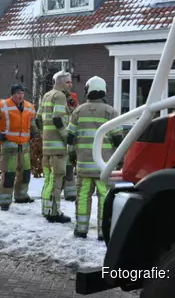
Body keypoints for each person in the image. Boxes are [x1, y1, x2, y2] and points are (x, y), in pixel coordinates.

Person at [67, 76, 123, 240]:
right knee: (104, 198)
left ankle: (81, 229)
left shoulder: (78, 111)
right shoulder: (111, 112)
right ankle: (102, 232)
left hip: (84, 166)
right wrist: (119, 160)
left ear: (88, 90)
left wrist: (73, 156)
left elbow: (70, 138)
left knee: (83, 197)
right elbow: (118, 140)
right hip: (104, 167)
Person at [0, 84, 37, 211]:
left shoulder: (29, 107)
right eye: (18, 93)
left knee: (25, 173)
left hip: (24, 146)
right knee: (9, 174)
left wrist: (34, 130)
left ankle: (21, 195)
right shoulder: (3, 106)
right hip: (9, 146)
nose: (21, 96)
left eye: (22, 93)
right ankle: (4, 200)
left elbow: (32, 120)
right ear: (12, 94)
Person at [37, 70, 72, 223]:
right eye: (68, 82)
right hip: (58, 147)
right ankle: (54, 213)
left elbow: (38, 119)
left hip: (46, 147)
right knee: (57, 180)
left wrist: (45, 135)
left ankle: (46, 209)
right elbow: (58, 118)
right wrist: (67, 136)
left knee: (48, 180)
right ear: (60, 82)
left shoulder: (46, 96)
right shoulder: (60, 96)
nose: (70, 85)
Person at [62, 89, 79, 202]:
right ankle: (67, 192)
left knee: (69, 166)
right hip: (60, 138)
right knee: (62, 167)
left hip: (72, 138)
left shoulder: (74, 97)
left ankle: (70, 192)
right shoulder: (55, 99)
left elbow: (78, 113)